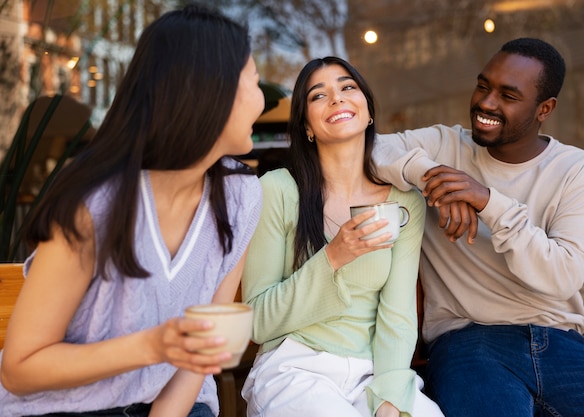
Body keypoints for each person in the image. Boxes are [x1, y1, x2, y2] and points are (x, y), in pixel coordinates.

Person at [0, 5, 264, 417]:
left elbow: (202, 350)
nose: (264, 101)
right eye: (255, 81)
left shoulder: (242, 196)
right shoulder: (95, 205)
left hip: (176, 402)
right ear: (213, 92)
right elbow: (20, 369)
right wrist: (152, 345)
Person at [372, 37, 584, 417]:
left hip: (560, 342)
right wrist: (436, 176)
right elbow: (364, 148)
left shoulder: (577, 169)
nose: (486, 103)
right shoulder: (445, 146)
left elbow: (563, 276)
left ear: (545, 108)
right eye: (483, 86)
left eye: (508, 95)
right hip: (468, 341)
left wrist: (488, 201)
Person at [240, 56, 444, 417]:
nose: (336, 98)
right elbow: (257, 321)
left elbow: (398, 315)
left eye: (347, 87)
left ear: (367, 111)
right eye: (318, 96)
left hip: (372, 373)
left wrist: (390, 399)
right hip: (294, 367)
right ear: (307, 126)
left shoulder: (404, 202)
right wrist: (333, 256)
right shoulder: (278, 191)